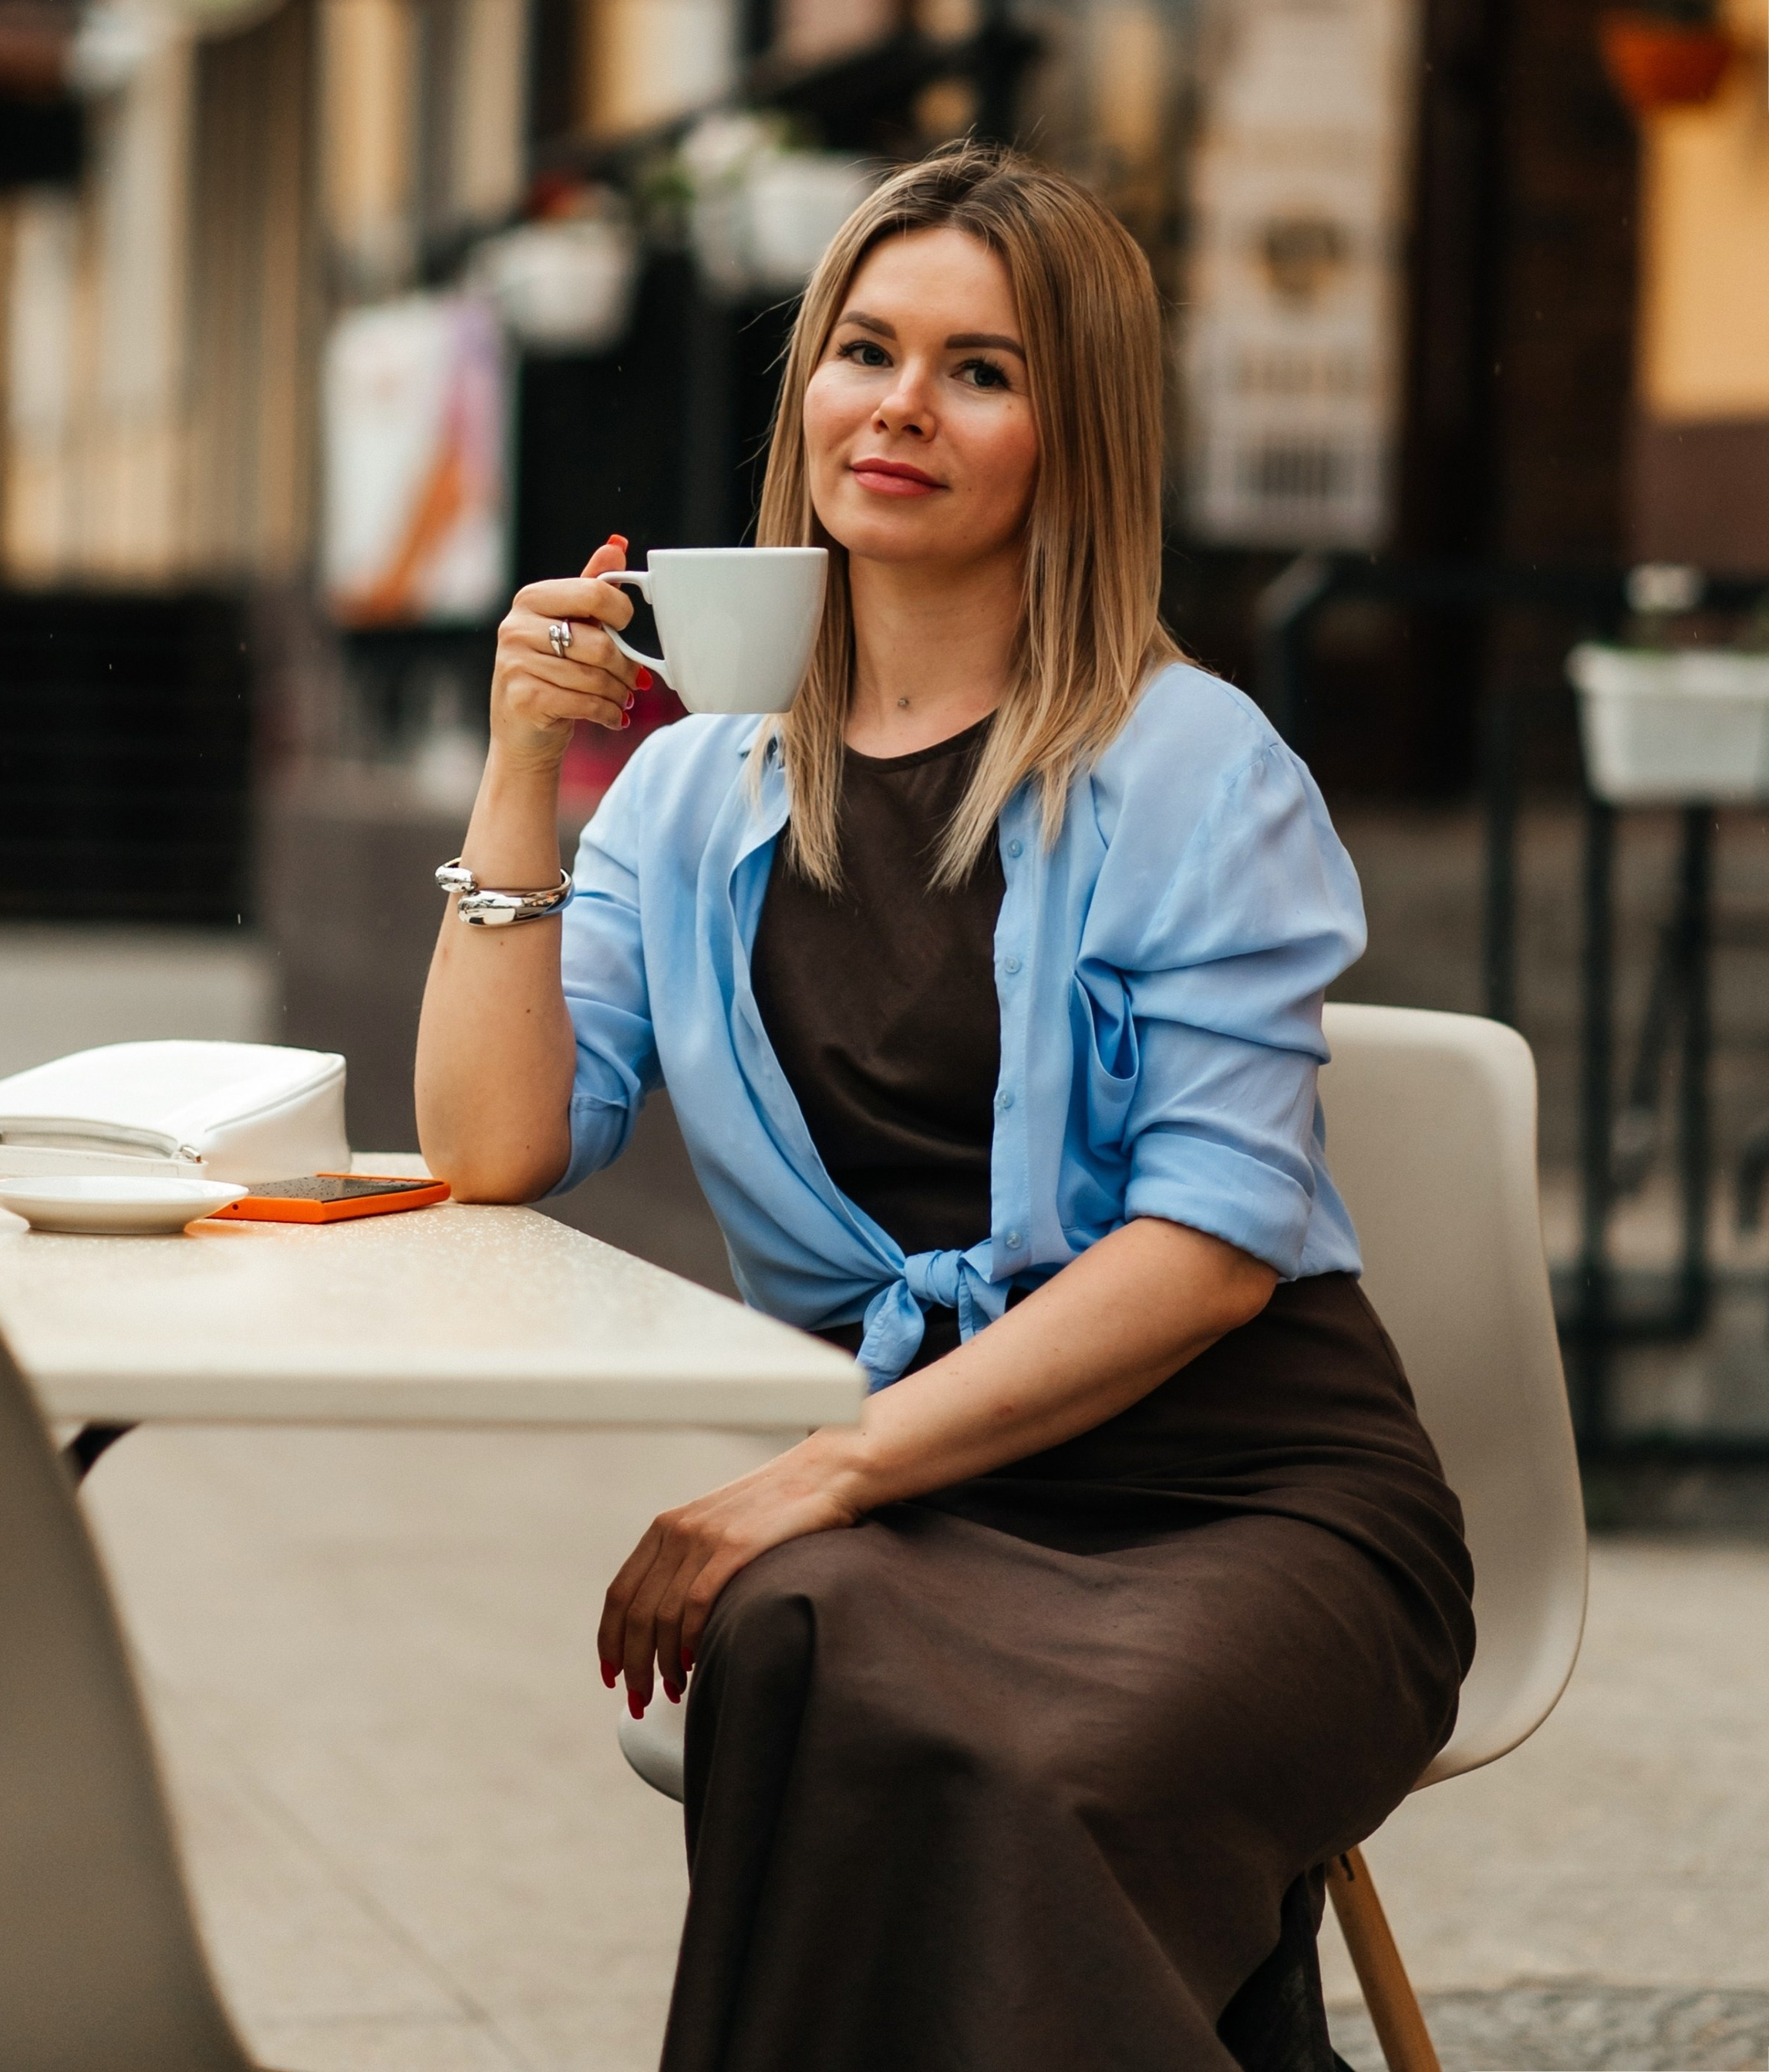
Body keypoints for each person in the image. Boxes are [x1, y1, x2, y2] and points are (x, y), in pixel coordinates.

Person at [415, 144, 1472, 2072]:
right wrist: (518, 779)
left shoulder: (1187, 765)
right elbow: (495, 1148)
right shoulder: (683, 794)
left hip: (1255, 1507)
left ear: (1071, 438)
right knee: (799, 1649)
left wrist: (804, 1476)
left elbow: (1212, 1255)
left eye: (977, 371)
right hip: (936, 1505)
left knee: (1013, 1762)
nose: (898, 405)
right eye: (863, 350)